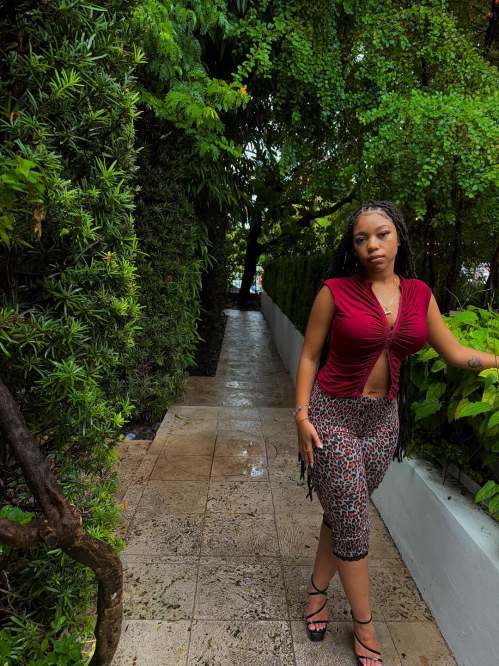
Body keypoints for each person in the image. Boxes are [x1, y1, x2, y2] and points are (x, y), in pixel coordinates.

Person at [294, 200, 498, 665]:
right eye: (361, 238)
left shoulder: (420, 294)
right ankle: (365, 627)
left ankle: (316, 592)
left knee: (344, 511)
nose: (372, 245)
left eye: (382, 234)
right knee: (353, 517)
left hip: (383, 422)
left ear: (399, 237)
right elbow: (309, 356)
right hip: (331, 415)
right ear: (353, 248)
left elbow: (454, 352)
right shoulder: (334, 292)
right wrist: (302, 416)